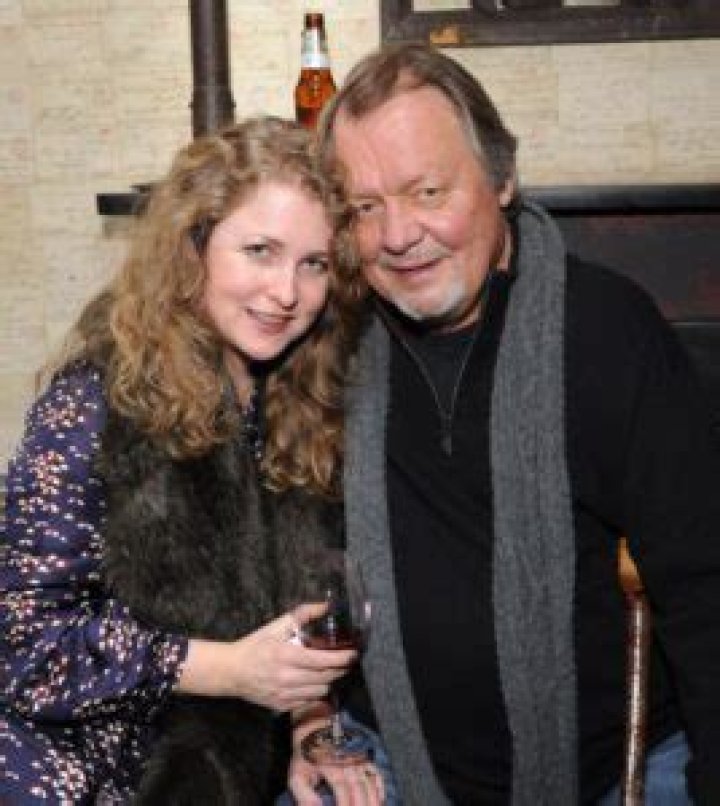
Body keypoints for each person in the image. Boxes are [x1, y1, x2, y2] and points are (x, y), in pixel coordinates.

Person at [288, 43, 720, 805]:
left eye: (427, 191)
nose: (398, 235)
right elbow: (280, 562)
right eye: (364, 207)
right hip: (380, 763)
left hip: (613, 772)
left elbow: (704, 583)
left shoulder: (609, 330)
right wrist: (309, 721)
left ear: (503, 178)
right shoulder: (329, 345)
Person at [0, 117, 385, 804]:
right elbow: (25, 648)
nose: (286, 292)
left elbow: (290, 606)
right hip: (77, 779)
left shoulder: (292, 396)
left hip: (218, 773)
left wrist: (308, 724)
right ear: (193, 246)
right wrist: (225, 668)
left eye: (314, 264)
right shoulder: (93, 404)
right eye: (260, 251)